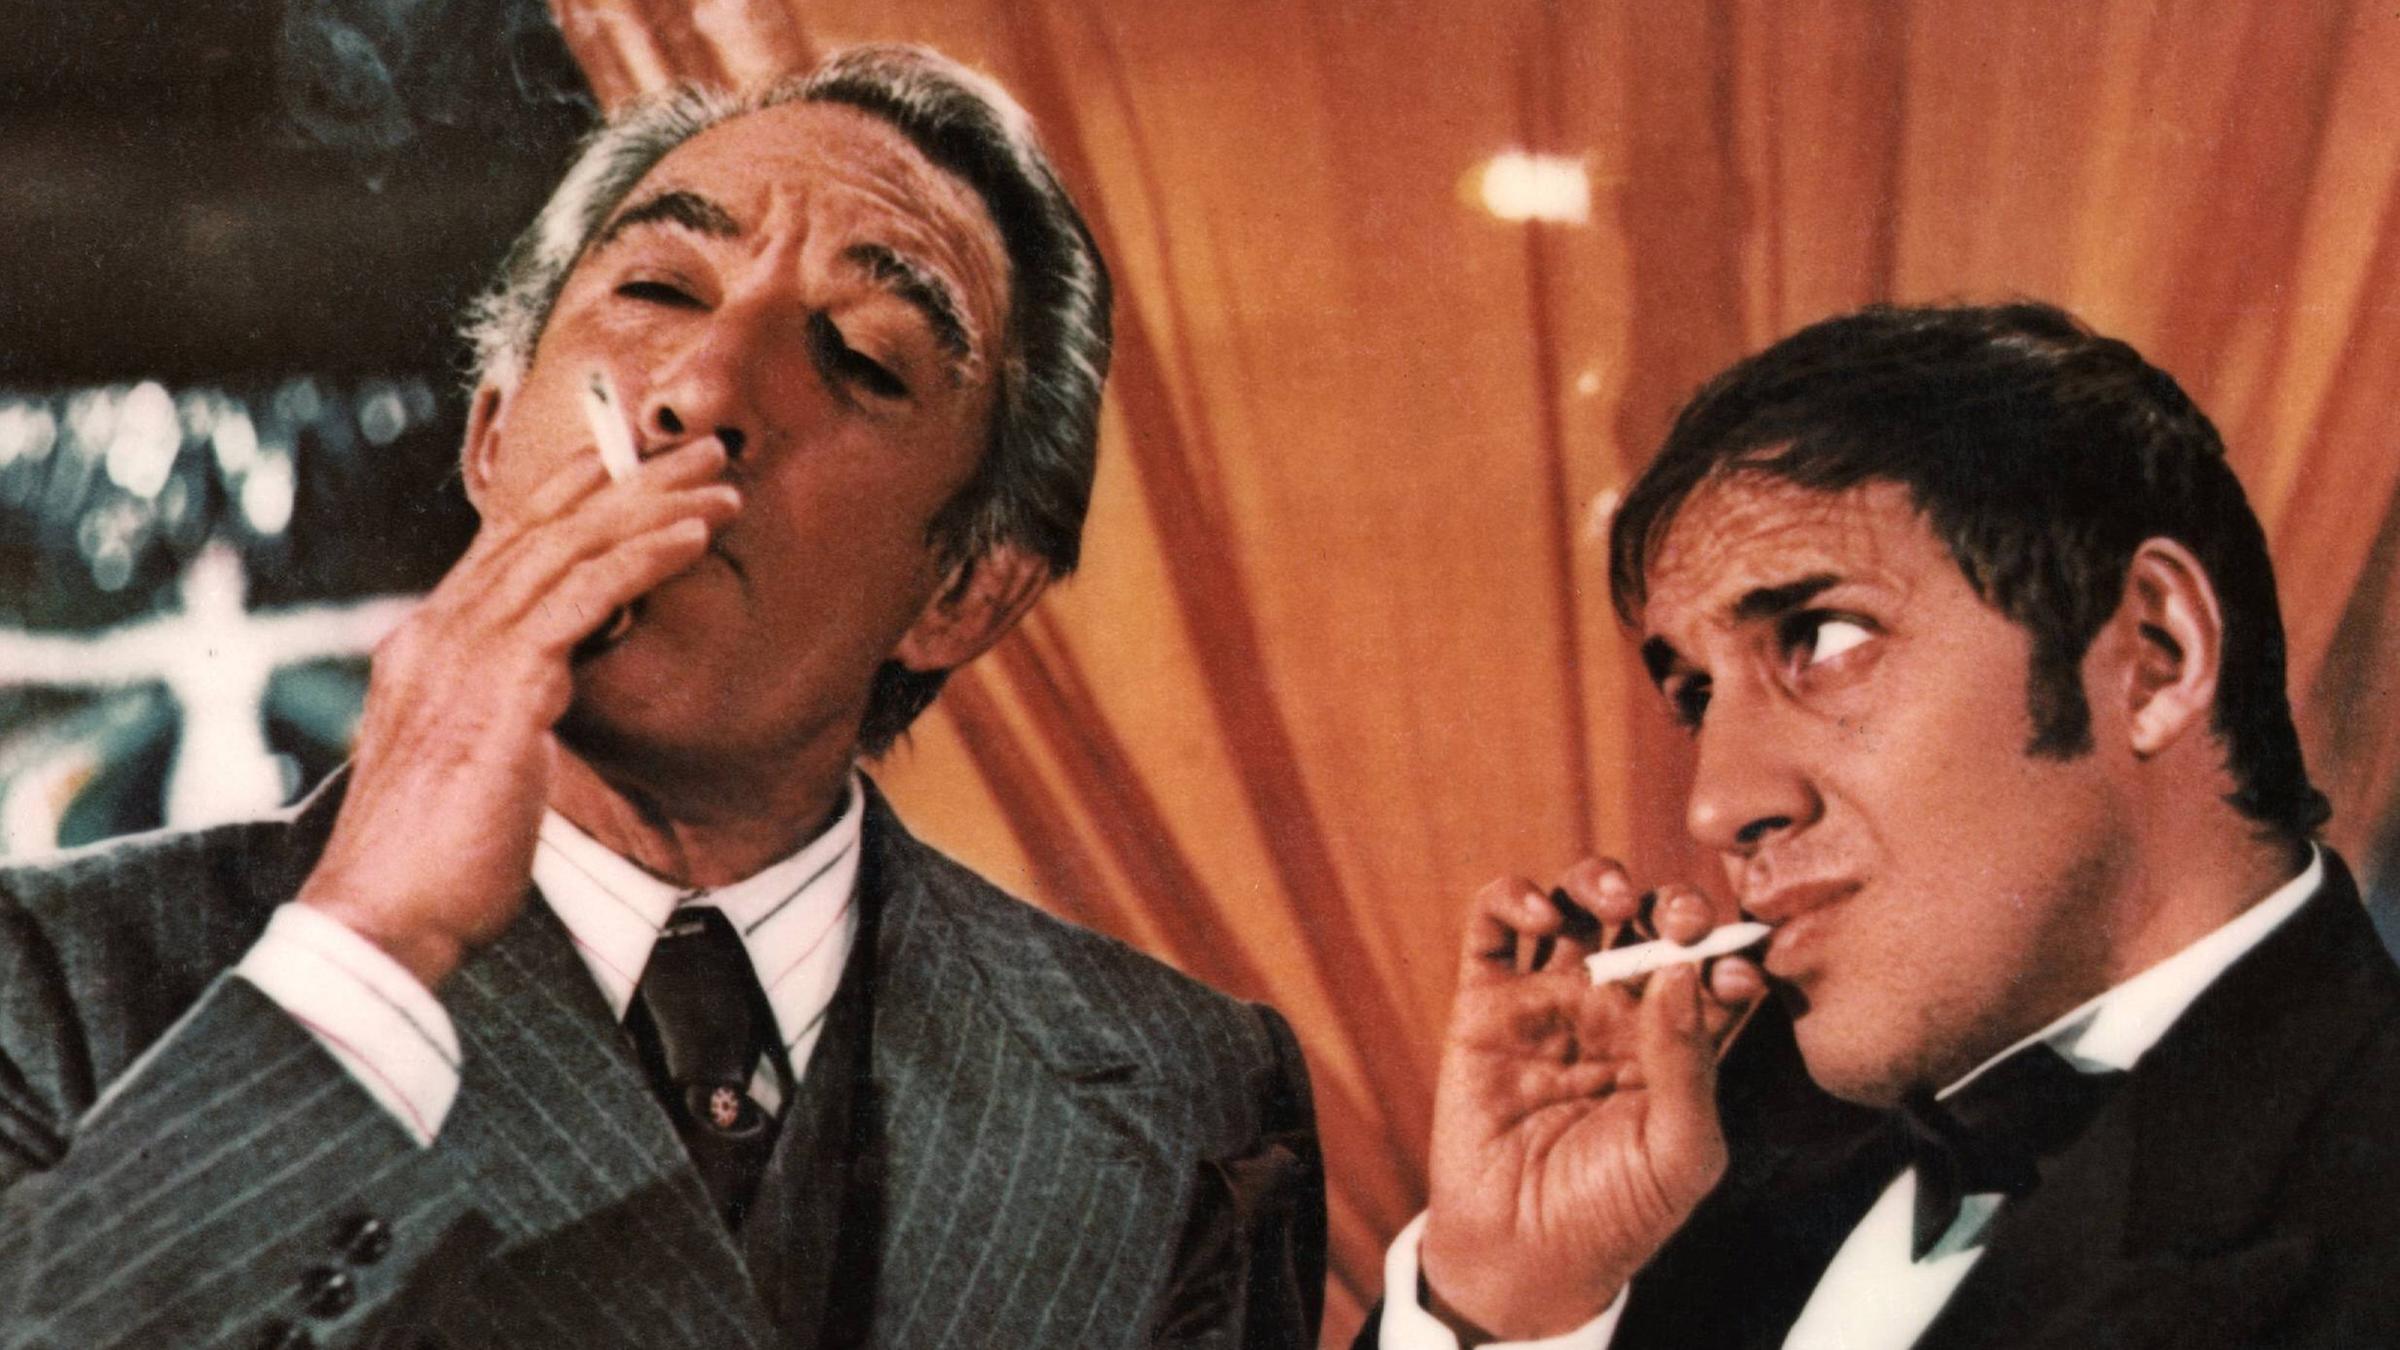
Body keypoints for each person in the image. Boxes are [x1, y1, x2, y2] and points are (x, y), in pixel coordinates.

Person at [0, 45, 1322, 1349]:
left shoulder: (1189, 1092)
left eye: (864, 358)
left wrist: (1443, 1304)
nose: (703, 390)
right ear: (490, 439)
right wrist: (371, 952)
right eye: (656, 287)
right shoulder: (53, 986)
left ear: (966, 592)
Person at [1367, 302, 2400, 1349]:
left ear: (2153, 656)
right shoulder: (1699, 1138)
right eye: (1697, 697)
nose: (1715, 806)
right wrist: (1506, 1299)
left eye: (1823, 640)